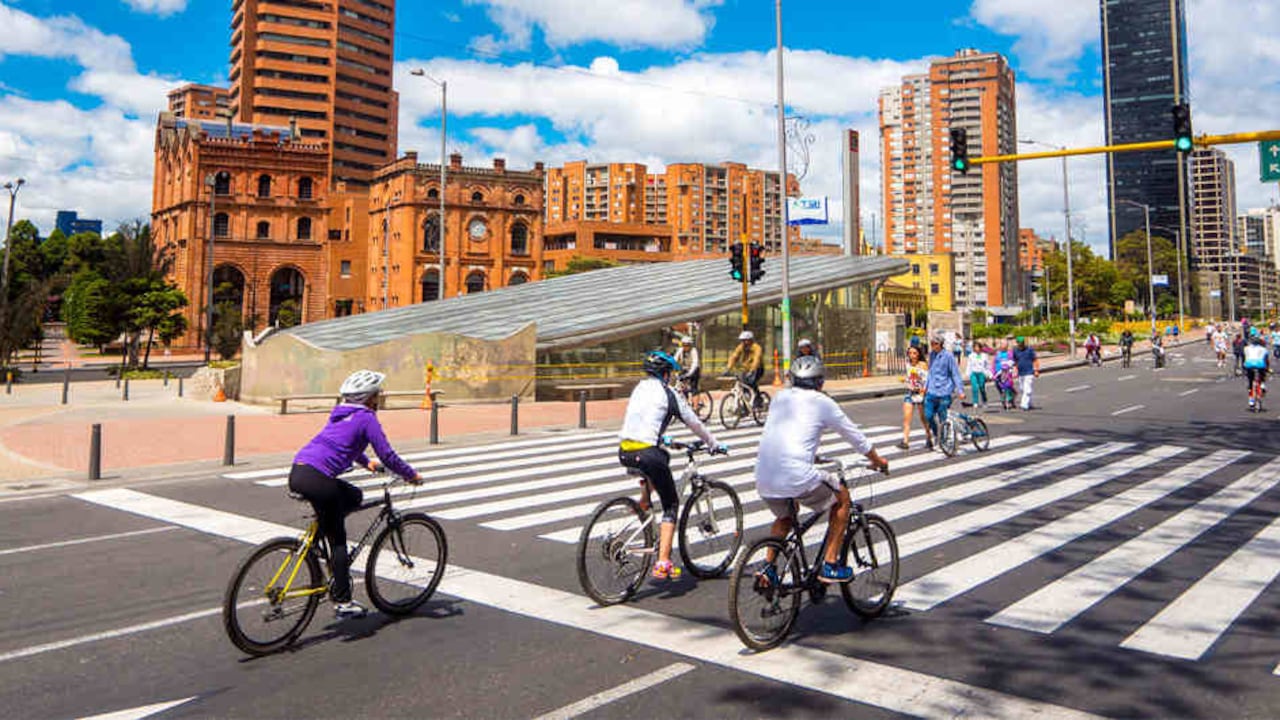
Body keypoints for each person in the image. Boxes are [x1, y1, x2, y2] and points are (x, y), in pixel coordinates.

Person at [290, 370, 423, 619]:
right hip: (319, 479)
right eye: (377, 395)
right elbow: (387, 455)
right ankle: (343, 601)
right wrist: (410, 474)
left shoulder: (340, 413)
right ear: (369, 398)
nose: (379, 398)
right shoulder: (366, 418)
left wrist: (366, 462)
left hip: (299, 471)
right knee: (339, 538)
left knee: (351, 497)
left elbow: (342, 443)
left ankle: (324, 537)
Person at [754, 355, 889, 584]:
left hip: (764, 474)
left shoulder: (779, 398)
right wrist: (877, 460)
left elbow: (788, 433)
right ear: (820, 382)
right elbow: (855, 437)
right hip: (795, 474)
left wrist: (809, 456)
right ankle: (830, 564)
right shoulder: (822, 402)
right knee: (842, 499)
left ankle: (768, 567)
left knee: (785, 517)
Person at [619, 350, 727, 580]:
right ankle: (663, 563)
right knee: (671, 504)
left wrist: (663, 439)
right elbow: (694, 422)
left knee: (663, 458)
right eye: (670, 373)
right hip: (647, 452)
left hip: (625, 450)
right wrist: (714, 443)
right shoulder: (670, 394)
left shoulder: (639, 388)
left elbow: (643, 420)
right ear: (666, 374)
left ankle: (645, 500)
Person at [923, 334, 965, 448]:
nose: (933, 346)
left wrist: (960, 390)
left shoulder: (948, 356)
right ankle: (937, 434)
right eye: (931, 344)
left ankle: (944, 439)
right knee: (928, 415)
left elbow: (955, 373)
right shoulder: (931, 355)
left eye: (935, 344)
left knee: (943, 417)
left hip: (945, 390)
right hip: (932, 390)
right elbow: (930, 372)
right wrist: (926, 386)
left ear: (941, 344)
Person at [900, 345, 930, 450]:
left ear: (918, 354)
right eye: (910, 353)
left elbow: (927, 380)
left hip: (920, 394)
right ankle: (905, 441)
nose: (912, 355)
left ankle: (929, 437)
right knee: (906, 418)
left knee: (923, 418)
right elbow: (910, 377)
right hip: (910, 393)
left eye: (914, 353)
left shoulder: (923, 365)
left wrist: (923, 391)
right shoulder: (908, 364)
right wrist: (905, 380)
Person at [726, 330, 765, 407]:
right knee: (742, 386)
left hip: (757, 369)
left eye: (745, 340)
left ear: (750, 340)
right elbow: (734, 356)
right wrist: (728, 368)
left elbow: (756, 359)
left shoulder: (757, 348)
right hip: (746, 369)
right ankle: (745, 405)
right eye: (742, 340)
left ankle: (758, 399)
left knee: (751, 383)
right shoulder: (741, 347)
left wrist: (752, 370)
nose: (743, 342)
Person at [1013, 336, 1040, 411]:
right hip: (1021, 373)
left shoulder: (1029, 349)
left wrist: (1036, 370)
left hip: (1029, 372)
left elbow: (1035, 360)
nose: (1021, 344)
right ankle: (1029, 403)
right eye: (1019, 343)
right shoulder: (1015, 350)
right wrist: (1015, 370)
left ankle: (1024, 405)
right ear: (1017, 343)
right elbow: (1015, 361)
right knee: (1022, 389)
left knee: (1027, 388)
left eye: (1022, 343)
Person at [1243, 332, 1269, 409]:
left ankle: (1251, 399)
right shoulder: (1264, 349)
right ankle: (1262, 384)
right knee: (1262, 375)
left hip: (1249, 365)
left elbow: (1245, 358)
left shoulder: (1246, 348)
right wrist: (1267, 368)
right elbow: (1266, 360)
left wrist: (1244, 367)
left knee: (1250, 381)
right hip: (1260, 365)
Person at [966, 341, 991, 408]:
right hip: (974, 373)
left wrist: (989, 373)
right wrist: (968, 373)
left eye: (978, 347)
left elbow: (987, 365)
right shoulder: (971, 356)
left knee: (982, 387)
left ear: (980, 348)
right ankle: (975, 402)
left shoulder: (984, 355)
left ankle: (984, 400)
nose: (977, 348)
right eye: (975, 347)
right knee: (974, 387)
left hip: (981, 373)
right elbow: (969, 365)